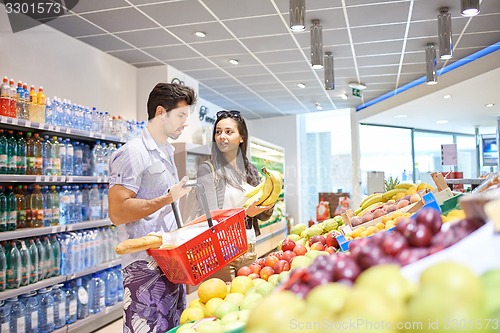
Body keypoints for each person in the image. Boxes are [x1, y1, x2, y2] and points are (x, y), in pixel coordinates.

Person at [108, 82, 196, 332]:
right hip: (143, 267)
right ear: (160, 113)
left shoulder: (166, 151)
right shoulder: (132, 153)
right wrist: (166, 198)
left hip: (169, 259)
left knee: (173, 326)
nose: (185, 122)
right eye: (180, 115)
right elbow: (117, 211)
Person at [195, 110, 274, 282]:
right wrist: (245, 214)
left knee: (246, 300)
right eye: (218, 132)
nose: (222, 136)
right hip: (220, 249)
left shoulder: (251, 169)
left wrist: (270, 200)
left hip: (249, 246)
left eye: (228, 132)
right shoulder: (208, 170)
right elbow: (210, 216)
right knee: (222, 301)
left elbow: (263, 216)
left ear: (242, 137)